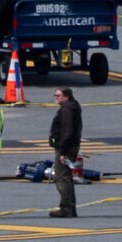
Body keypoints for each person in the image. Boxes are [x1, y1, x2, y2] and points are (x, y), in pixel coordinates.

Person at [46, 85, 84, 219]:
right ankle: (70, 207)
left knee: (62, 178)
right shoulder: (72, 107)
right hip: (71, 146)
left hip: (66, 148)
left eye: (58, 95)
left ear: (66, 97)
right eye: (55, 95)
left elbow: (67, 132)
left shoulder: (66, 111)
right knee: (66, 177)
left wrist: (63, 152)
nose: (55, 97)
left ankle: (66, 208)